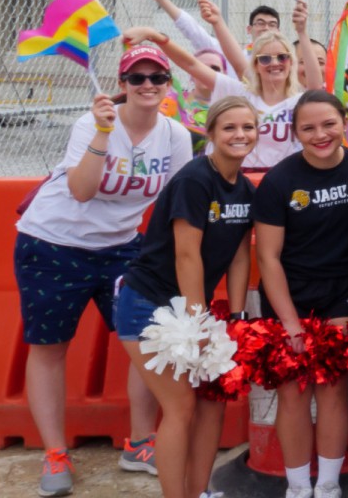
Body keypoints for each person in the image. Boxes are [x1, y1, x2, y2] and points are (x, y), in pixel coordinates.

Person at [14, 45, 193, 497]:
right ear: (124, 85)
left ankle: (141, 442)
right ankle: (54, 452)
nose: (148, 86)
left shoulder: (174, 135)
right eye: (138, 78)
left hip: (123, 247)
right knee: (50, 346)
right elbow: (80, 189)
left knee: (146, 340)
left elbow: (179, 201)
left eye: (157, 78)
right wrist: (100, 132)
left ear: (168, 85)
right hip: (53, 242)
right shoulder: (92, 123)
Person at [112, 96, 258, 498]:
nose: (240, 135)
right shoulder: (195, 180)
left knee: (214, 402)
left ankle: (199, 491)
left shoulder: (244, 187)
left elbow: (241, 254)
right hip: (150, 304)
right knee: (181, 408)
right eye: (229, 127)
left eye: (248, 127)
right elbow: (186, 254)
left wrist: (239, 317)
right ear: (210, 134)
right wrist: (197, 322)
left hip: (193, 308)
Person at [254, 91, 348, 498]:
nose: (320, 135)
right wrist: (289, 324)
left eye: (328, 124)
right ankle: (299, 486)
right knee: (293, 390)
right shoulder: (279, 180)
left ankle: (329, 484)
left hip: (345, 293)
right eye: (308, 128)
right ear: (295, 132)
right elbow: (268, 258)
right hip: (291, 295)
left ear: (344, 121)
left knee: (333, 386)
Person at [136, 0, 325, 170]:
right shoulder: (239, 93)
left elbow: (316, 86)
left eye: (282, 57)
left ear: (290, 62)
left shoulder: (299, 101)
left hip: (281, 182)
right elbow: (192, 64)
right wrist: (157, 37)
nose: (275, 63)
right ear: (256, 65)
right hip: (238, 179)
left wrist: (302, 31)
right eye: (266, 59)